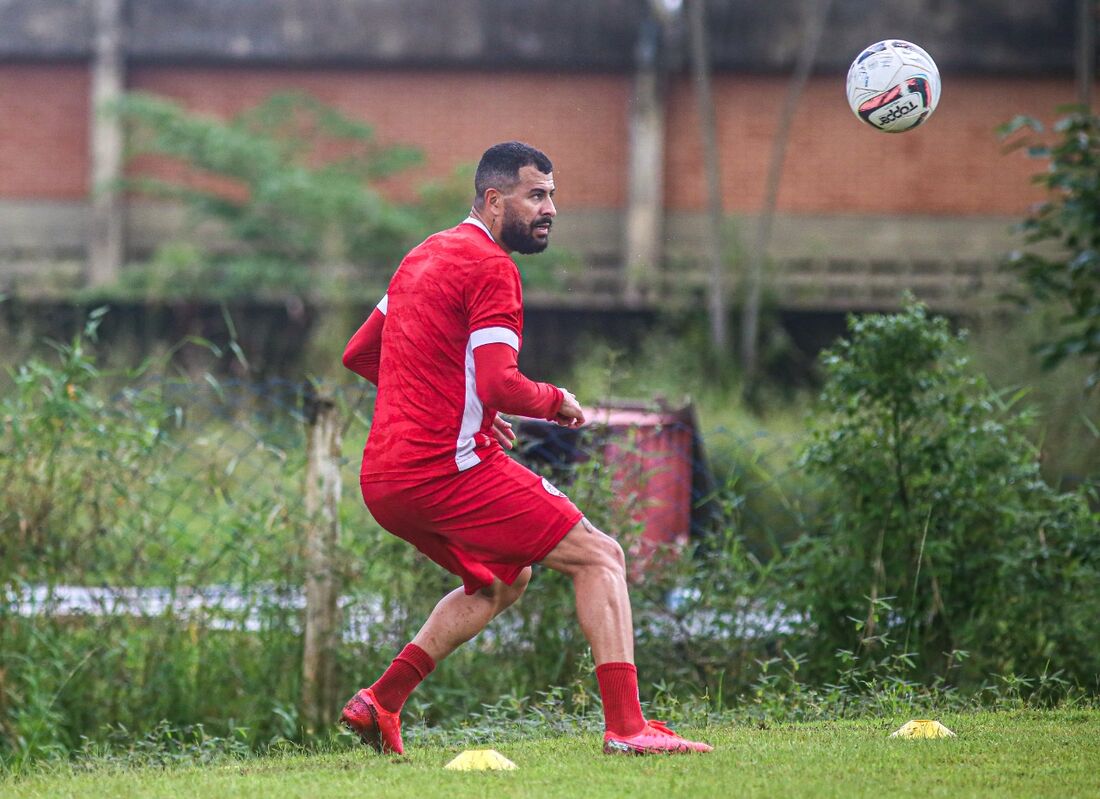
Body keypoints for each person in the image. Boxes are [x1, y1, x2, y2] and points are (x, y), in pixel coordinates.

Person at [339, 141, 712, 756]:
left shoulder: (422, 256)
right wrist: (554, 398)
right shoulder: (491, 267)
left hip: (385, 480)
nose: (551, 209)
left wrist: (455, 405)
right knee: (601, 555)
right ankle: (627, 728)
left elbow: (360, 354)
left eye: (552, 196)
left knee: (501, 582)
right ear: (493, 199)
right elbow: (499, 383)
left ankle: (381, 701)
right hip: (444, 470)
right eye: (536, 195)